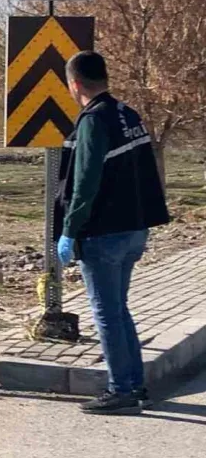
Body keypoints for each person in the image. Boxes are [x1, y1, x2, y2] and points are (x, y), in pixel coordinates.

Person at [56, 51, 170, 415]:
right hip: (134, 228)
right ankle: (135, 385)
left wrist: (69, 230)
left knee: (106, 313)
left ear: (75, 85)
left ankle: (121, 388)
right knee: (119, 310)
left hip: (105, 233)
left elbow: (84, 183)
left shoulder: (94, 121)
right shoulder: (127, 113)